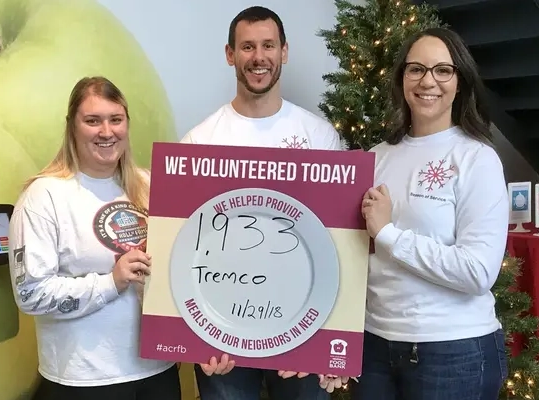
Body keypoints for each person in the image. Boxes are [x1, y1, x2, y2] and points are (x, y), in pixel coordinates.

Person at [180, 5, 344, 399]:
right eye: (248, 46)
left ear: (284, 51)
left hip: (303, 331)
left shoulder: (320, 137)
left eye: (268, 45)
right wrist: (195, 336)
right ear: (229, 54)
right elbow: (184, 248)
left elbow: (339, 244)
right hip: (223, 337)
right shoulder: (200, 142)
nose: (259, 57)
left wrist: (327, 342)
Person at [348, 27, 509, 399]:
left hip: (453, 352)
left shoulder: (476, 159)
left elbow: (478, 271)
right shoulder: (375, 158)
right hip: (374, 347)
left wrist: (388, 234)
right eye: (416, 69)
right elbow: (352, 256)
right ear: (402, 77)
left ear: (460, 81)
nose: (428, 81)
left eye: (442, 70)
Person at [8, 76, 181, 400]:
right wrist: (111, 282)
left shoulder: (151, 186)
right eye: (92, 121)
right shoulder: (44, 196)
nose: (106, 132)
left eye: (116, 119)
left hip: (158, 372)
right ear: (72, 126)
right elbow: (30, 293)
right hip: (83, 381)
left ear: (127, 125)